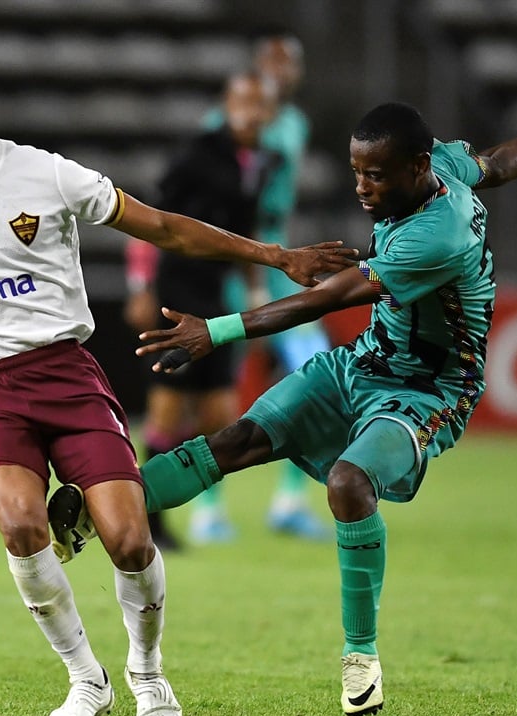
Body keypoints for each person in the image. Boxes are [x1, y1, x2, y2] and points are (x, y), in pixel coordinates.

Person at [0, 46, 357, 716]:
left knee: (131, 541)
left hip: (67, 377)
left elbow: (165, 226)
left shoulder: (45, 175)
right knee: (22, 525)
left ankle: (148, 672)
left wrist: (274, 255)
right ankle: (87, 679)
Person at [132, 104, 517, 716]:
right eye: (357, 172)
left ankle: (362, 658)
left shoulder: (439, 233)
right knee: (240, 438)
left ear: (415, 168)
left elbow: (333, 295)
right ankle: (100, 509)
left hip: (430, 390)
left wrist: (216, 332)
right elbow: (495, 162)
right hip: (363, 364)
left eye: (376, 175)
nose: (362, 187)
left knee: (349, 484)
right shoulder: (443, 168)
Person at [123, 70, 280, 548]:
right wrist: (141, 286)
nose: (250, 112)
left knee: (219, 413)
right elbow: (152, 217)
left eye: (258, 104)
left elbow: (244, 234)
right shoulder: (197, 155)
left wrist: (256, 295)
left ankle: (170, 497)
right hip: (176, 292)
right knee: (168, 407)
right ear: (226, 104)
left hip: (215, 296)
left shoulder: (260, 163)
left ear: (270, 112)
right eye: (242, 101)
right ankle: (144, 518)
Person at [205, 32, 333, 540]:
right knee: (219, 390)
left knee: (317, 376)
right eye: (272, 61)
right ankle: (208, 507)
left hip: (279, 263)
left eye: (290, 63)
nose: (281, 70)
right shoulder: (218, 126)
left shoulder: (296, 124)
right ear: (256, 67)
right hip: (230, 265)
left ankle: (289, 501)